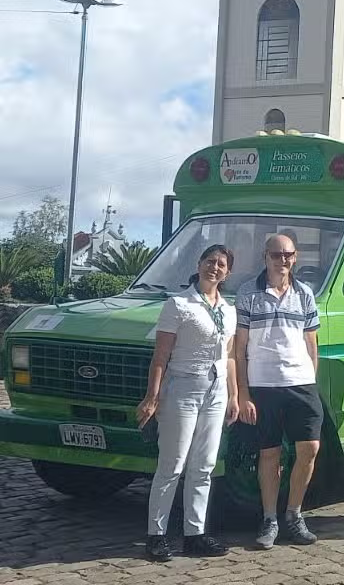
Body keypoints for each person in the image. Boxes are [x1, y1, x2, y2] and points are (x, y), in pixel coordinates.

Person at [139, 245, 239, 562]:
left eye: (221, 264)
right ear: (198, 265)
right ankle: (156, 535)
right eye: (210, 262)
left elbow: (231, 356)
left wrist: (234, 395)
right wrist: (152, 397)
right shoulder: (179, 304)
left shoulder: (228, 308)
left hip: (216, 388)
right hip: (183, 386)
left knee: (204, 465)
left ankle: (194, 533)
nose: (215, 268)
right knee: (173, 463)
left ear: (228, 272)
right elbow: (161, 356)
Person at [236, 234, 323, 549]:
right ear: (266, 257)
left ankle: (294, 514)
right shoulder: (248, 293)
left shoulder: (304, 294)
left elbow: (311, 341)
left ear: (295, 257)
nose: (282, 260)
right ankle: (269, 518)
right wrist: (243, 393)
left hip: (300, 382)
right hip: (263, 383)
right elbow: (239, 347)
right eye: (276, 254)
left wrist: (310, 377)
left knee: (310, 448)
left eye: (287, 255)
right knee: (270, 453)